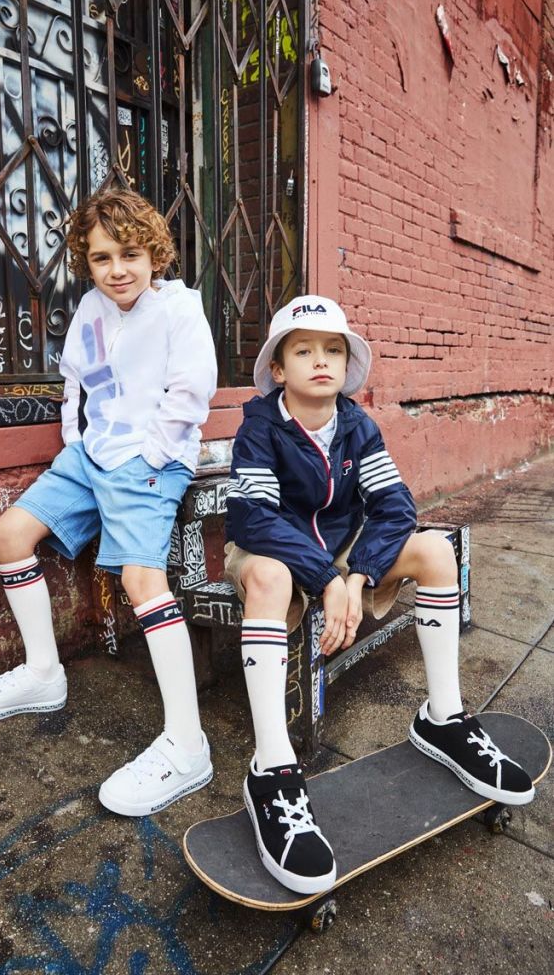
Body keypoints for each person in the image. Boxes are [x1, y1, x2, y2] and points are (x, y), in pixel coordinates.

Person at [224, 294, 534, 894]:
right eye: (303, 351)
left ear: (347, 365)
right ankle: (272, 768)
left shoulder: (358, 426)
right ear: (279, 369)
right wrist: (326, 578)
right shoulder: (260, 426)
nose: (321, 360)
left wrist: (357, 575)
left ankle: (443, 719)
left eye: (333, 350)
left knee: (434, 549)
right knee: (270, 577)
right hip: (271, 552)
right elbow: (254, 518)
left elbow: (395, 508)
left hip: (343, 555)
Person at [0, 187, 218, 817]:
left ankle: (188, 744)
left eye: (130, 254)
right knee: (9, 535)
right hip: (90, 454)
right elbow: (78, 381)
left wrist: (151, 456)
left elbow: (191, 393)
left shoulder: (179, 308)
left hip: (150, 459)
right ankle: (43, 676)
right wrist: (75, 442)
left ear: (154, 253)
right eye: (102, 258)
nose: (117, 270)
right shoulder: (90, 309)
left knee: (141, 579)